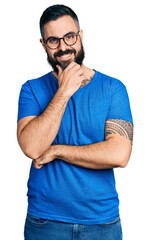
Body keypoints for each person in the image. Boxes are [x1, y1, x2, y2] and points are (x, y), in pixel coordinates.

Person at [17, 4, 133, 240]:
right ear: (43, 44)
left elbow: (119, 154)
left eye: (69, 37)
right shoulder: (31, 89)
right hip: (45, 222)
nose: (63, 47)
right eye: (53, 40)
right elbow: (32, 147)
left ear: (81, 36)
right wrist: (64, 92)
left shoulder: (113, 89)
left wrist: (58, 151)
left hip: (101, 222)